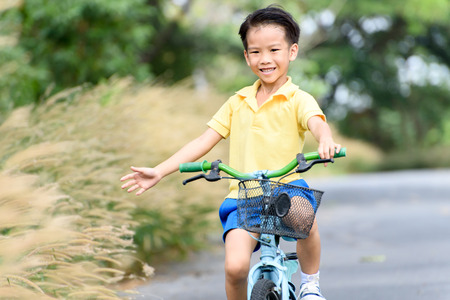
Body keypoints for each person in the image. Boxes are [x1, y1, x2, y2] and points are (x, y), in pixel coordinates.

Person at [121, 5, 341, 300]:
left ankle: (310, 284)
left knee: (307, 222)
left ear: (292, 51)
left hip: (286, 189)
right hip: (243, 196)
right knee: (235, 268)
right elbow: (203, 141)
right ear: (246, 56)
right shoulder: (237, 102)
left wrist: (325, 141)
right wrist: (160, 170)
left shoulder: (298, 99)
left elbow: (317, 125)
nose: (265, 59)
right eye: (255, 52)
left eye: (274, 50)